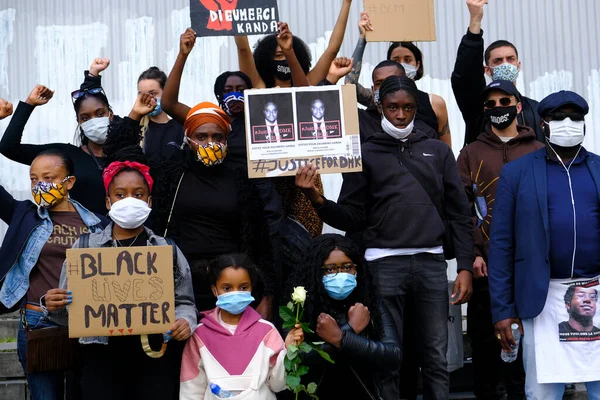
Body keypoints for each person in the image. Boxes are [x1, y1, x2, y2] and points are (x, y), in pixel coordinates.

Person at [296, 75, 474, 399]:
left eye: (408, 107)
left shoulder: (437, 150)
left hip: (432, 262)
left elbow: (460, 213)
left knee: (435, 357)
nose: (401, 115)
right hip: (382, 264)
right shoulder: (364, 153)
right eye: (393, 107)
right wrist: (316, 199)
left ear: (416, 108)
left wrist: (464, 265)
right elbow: (353, 216)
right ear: (380, 106)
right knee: (388, 356)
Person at [45, 157, 197, 400]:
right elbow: (68, 315)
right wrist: (52, 305)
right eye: (120, 194)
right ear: (108, 202)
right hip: (101, 360)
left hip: (155, 357)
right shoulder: (85, 248)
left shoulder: (166, 248)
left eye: (138, 194)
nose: (129, 200)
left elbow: (185, 302)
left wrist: (185, 322)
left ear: (149, 201)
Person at [489, 90, 600, 399]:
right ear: (544, 124)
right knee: (541, 393)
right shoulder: (517, 173)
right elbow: (501, 246)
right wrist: (502, 309)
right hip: (542, 300)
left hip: (596, 295)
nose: (569, 123)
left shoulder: (599, 169)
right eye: (559, 117)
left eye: (575, 118)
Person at [457, 80, 543, 400]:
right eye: (490, 104)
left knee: (528, 361)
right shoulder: (470, 153)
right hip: (487, 272)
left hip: (530, 271)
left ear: (518, 106)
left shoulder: (538, 151)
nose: (497, 109)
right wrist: (474, 254)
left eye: (504, 101)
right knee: (485, 359)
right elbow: (460, 208)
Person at [0, 150, 108, 400]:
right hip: (40, 322)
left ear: (69, 182)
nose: (39, 185)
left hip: (88, 322)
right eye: (34, 179)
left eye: (48, 177)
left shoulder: (99, 225)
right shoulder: (24, 216)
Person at [0, 81, 156, 215]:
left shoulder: (128, 155)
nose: (93, 121)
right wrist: (29, 104)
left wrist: (136, 114)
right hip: (82, 238)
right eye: (85, 118)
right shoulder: (67, 155)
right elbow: (9, 147)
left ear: (110, 115)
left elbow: (126, 136)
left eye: (99, 113)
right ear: (79, 121)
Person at [285, 234, 402, 399]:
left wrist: (340, 337)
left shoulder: (371, 304)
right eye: (330, 269)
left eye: (347, 267)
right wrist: (350, 329)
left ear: (357, 269)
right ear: (315, 271)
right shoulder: (299, 307)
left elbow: (393, 356)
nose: (340, 275)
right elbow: (295, 358)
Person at [180, 254, 303, 399]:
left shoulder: (267, 331)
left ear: (251, 288)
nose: (236, 292)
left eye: (243, 287)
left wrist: (289, 352)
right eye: (227, 288)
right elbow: (191, 389)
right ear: (214, 290)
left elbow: (278, 384)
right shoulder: (200, 335)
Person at [344, 12, 452, 147]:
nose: (400, 114)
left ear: (417, 64)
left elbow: (446, 150)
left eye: (407, 59)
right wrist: (363, 38)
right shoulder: (377, 97)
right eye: (396, 60)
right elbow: (349, 88)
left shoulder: (434, 104)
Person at [452, 0, 542, 145]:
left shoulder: (535, 109)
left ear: (518, 66)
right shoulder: (478, 106)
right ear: (487, 70)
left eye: (510, 59)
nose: (505, 64)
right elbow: (465, 77)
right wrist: (475, 21)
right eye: (498, 61)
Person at [235, 0, 353, 87]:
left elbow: (332, 50)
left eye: (287, 54)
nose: (284, 59)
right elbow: (243, 49)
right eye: (278, 56)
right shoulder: (259, 87)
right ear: (266, 60)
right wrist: (235, 6)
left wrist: (346, 3)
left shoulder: (308, 82)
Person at [137, 66, 184, 162]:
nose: (147, 98)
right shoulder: (135, 128)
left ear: (166, 93)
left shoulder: (180, 127)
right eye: (141, 94)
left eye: (153, 93)